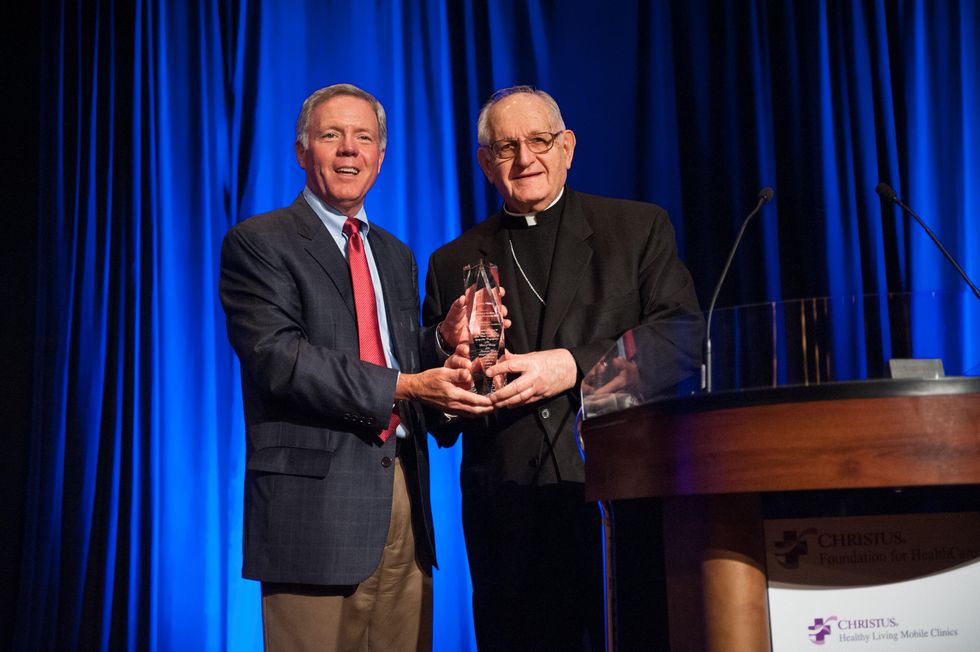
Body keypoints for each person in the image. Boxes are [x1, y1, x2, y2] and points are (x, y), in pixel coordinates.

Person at [421, 86, 703, 650]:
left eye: (539, 141)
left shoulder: (635, 228)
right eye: (505, 148)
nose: (525, 159)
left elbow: (682, 336)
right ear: (485, 163)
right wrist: (449, 365)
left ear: (567, 147)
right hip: (508, 515)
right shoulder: (452, 261)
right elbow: (439, 418)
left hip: (620, 497)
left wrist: (573, 365)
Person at [219, 83, 492, 651]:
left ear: (381, 156)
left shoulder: (395, 254)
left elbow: (389, 351)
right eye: (331, 136)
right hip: (312, 514)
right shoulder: (259, 242)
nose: (349, 150)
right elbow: (280, 358)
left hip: (403, 507)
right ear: (302, 152)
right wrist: (407, 384)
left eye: (363, 137)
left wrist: (441, 340)